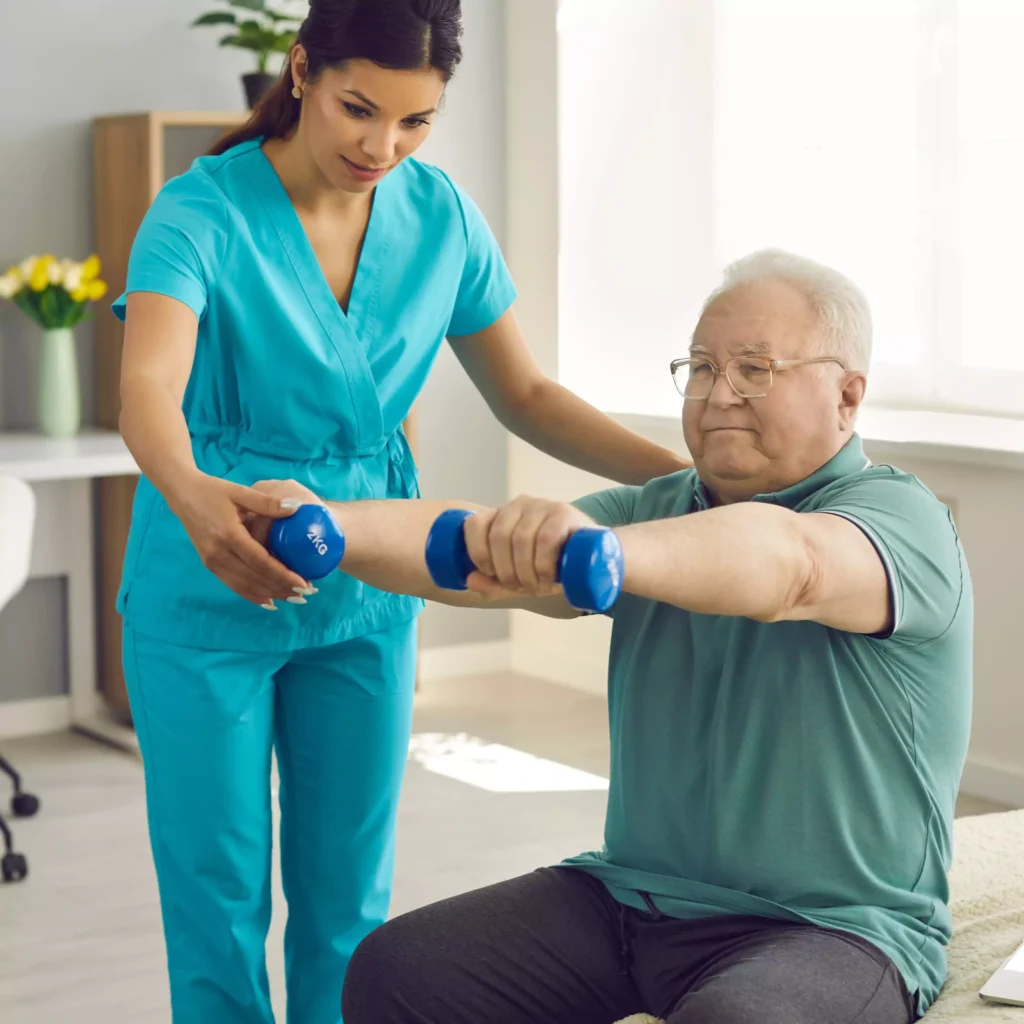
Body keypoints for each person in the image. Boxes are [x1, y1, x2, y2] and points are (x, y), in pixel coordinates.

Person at [113, 2, 688, 1021]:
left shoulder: (441, 218)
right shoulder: (199, 211)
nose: (381, 146)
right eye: (358, 109)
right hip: (208, 586)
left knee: (350, 902)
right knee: (215, 893)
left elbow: (528, 396)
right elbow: (148, 389)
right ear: (300, 72)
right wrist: (198, 501)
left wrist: (691, 482)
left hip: (371, 588)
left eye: (415, 121)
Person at [251, 250, 973, 1024]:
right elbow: (470, 549)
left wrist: (612, 554)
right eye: (700, 366)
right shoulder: (655, 507)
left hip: (832, 930)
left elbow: (788, 564)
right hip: (627, 899)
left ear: (848, 396)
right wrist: (326, 523)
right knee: (399, 970)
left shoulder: (901, 520)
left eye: (756, 369)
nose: (718, 393)